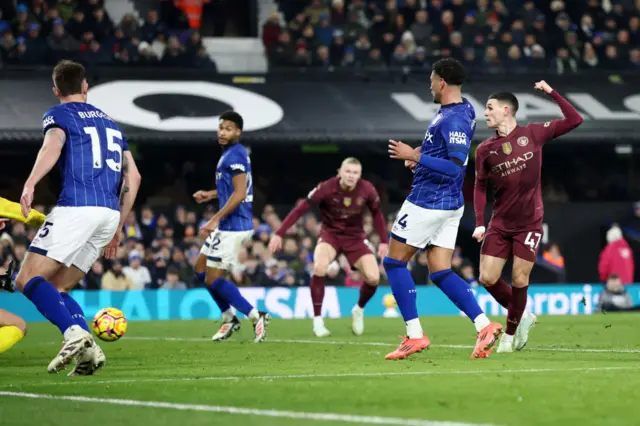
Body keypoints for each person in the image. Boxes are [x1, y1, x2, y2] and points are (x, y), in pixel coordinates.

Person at [13, 60, 142, 375]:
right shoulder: (112, 123)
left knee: (26, 279)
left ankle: (73, 333)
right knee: (57, 289)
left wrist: (30, 184)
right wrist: (119, 227)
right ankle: (89, 352)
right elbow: (134, 177)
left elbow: (52, 147)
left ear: (56, 90)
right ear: (86, 87)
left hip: (77, 207)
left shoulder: (58, 114)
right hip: (109, 213)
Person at [385, 58, 503, 360]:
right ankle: (483, 325)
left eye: (431, 79)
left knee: (394, 263)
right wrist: (421, 155)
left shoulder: (454, 119)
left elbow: (455, 168)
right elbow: (445, 151)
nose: (429, 84)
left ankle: (414, 335)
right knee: (440, 270)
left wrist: (413, 155)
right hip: (449, 205)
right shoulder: (459, 111)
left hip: (429, 200)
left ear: (441, 82)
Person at [474, 81, 583, 353]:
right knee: (487, 278)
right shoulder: (484, 150)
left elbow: (575, 119)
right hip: (499, 223)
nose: (485, 113)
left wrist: (551, 92)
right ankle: (523, 314)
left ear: (506, 110)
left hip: (529, 223)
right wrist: (478, 221)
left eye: (490, 108)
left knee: (520, 280)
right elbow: (479, 186)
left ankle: (510, 336)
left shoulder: (533, 134)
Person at [268, 157, 389, 337]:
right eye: (347, 171)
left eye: (355, 173)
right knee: (319, 267)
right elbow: (301, 208)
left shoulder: (367, 189)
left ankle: (358, 309)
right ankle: (318, 321)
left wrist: (384, 241)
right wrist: (280, 233)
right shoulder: (326, 187)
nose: (351, 176)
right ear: (339, 171)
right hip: (330, 235)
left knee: (373, 278)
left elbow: (377, 215)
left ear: (360, 175)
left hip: (355, 238)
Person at [193, 111, 270, 343]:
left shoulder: (235, 155)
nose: (223, 132)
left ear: (238, 132)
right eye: (221, 128)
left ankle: (256, 316)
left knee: (213, 279)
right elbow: (233, 189)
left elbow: (239, 193)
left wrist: (215, 218)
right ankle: (229, 317)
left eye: (228, 128)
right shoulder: (229, 155)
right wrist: (211, 194)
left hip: (233, 226)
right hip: (228, 224)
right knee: (200, 270)